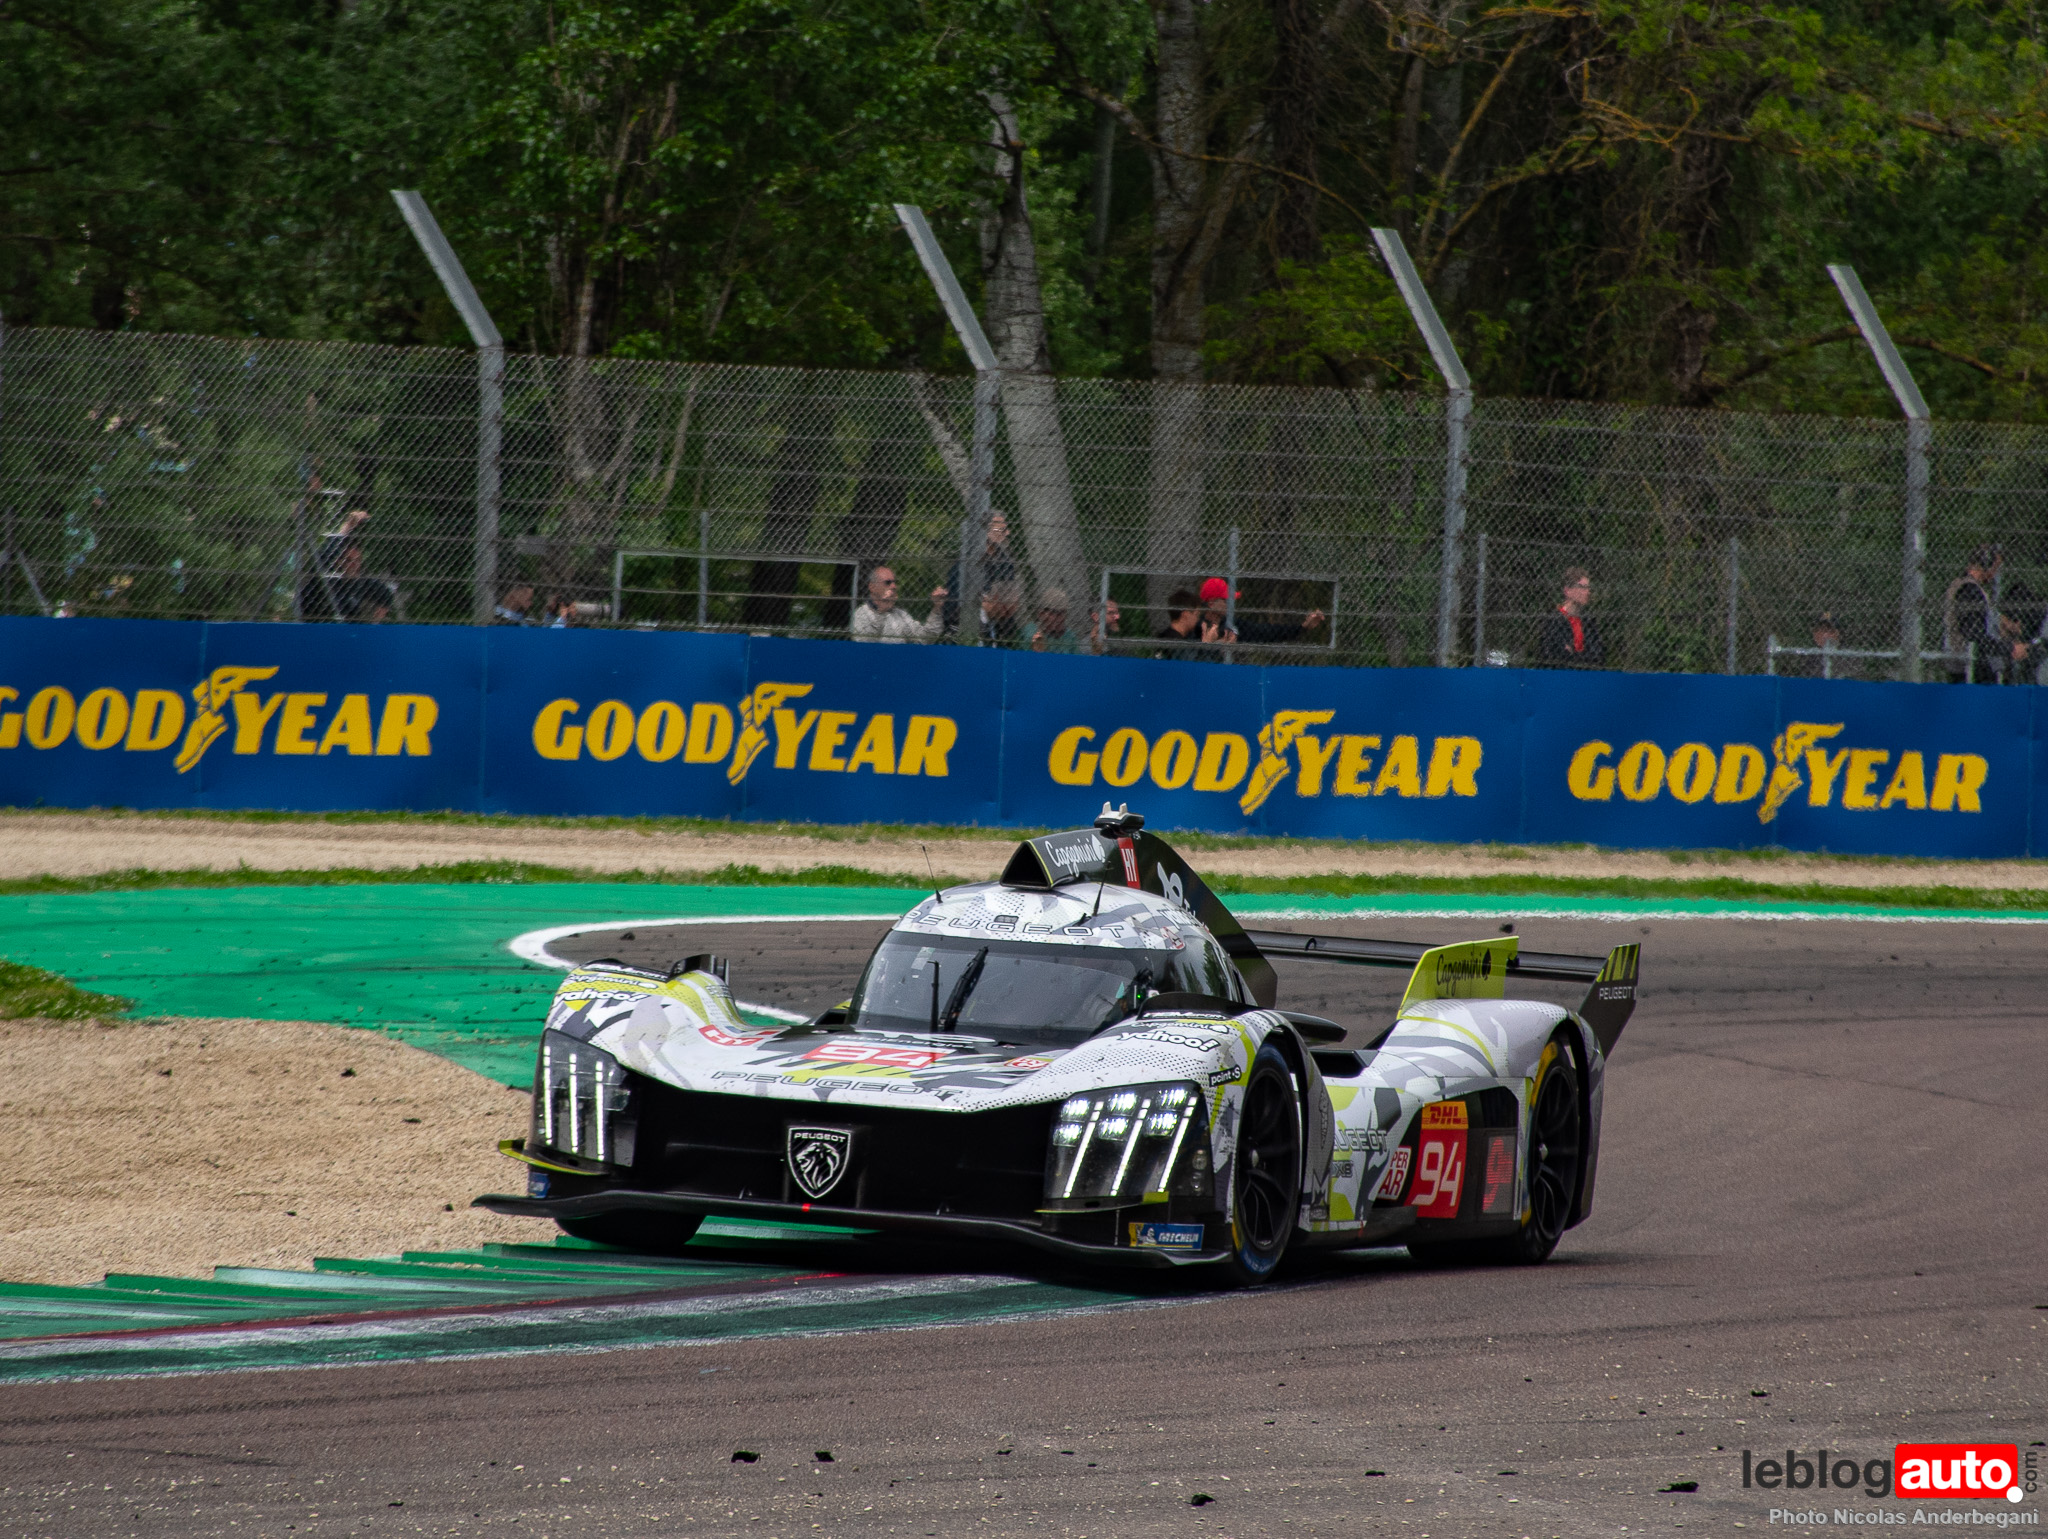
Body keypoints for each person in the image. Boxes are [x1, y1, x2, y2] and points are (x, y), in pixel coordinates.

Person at [300, 508, 392, 622]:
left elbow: (385, 592)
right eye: (348, 560)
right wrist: (347, 526)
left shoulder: (360, 583)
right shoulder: (326, 576)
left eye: (357, 560)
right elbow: (327, 553)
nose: (354, 564)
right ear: (338, 561)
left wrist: (382, 610)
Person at [942, 510, 1018, 634]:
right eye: (1002, 530)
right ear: (985, 530)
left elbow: (1009, 606)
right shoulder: (964, 565)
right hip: (964, 629)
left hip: (996, 629)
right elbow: (951, 607)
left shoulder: (1005, 564)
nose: (1007, 533)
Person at [1196, 576, 1327, 646]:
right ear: (1211, 603)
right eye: (1226, 600)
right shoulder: (1198, 626)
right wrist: (1214, 646)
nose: (1230, 604)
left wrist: (1302, 628)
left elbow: (1265, 631)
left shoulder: (1231, 624)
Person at [1943, 544, 2004, 683]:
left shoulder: (1962, 584)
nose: (1995, 573)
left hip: (1963, 654)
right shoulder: (1969, 588)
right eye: (1995, 568)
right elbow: (1973, 630)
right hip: (1970, 656)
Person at [851, 566, 946, 643]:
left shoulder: (900, 615)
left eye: (895, 582)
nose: (894, 586)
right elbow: (865, 645)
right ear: (872, 587)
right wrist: (881, 610)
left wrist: (937, 608)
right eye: (888, 582)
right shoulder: (861, 614)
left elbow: (925, 638)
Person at [1536, 567, 1605, 667]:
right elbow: (1554, 654)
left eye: (1588, 587)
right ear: (1567, 590)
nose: (1587, 592)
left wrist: (1573, 653)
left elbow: (1598, 654)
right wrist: (1582, 655)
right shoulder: (1553, 620)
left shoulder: (1588, 621)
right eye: (1582, 587)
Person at [1029, 588, 1121, 655]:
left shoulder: (1070, 636)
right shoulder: (1030, 632)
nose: (1117, 616)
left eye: (1063, 613)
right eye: (1111, 613)